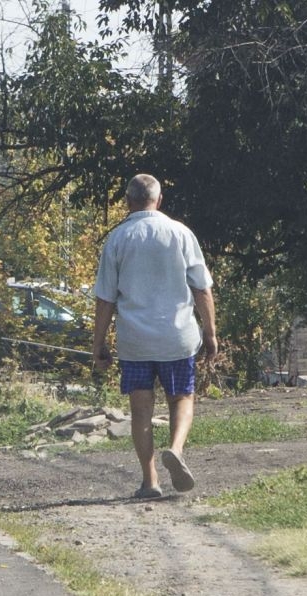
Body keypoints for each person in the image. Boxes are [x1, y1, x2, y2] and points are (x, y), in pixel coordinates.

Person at [92, 174, 218, 499]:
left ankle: (150, 482)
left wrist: (99, 343)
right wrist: (210, 333)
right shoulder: (181, 233)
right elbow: (202, 288)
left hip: (135, 340)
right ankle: (175, 448)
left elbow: (105, 298)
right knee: (182, 398)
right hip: (177, 336)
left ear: (128, 201)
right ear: (159, 200)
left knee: (140, 410)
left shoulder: (117, 239)